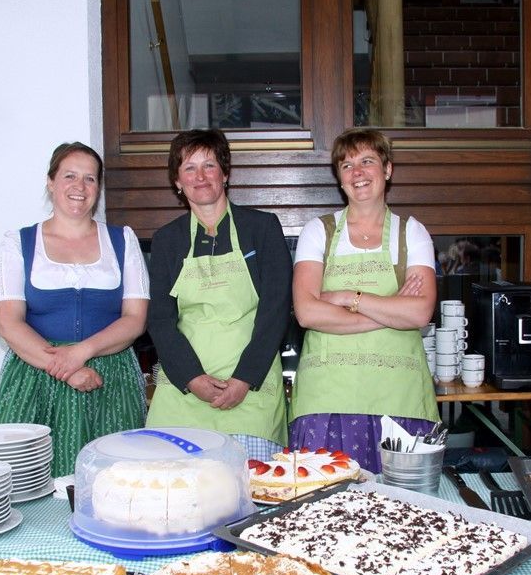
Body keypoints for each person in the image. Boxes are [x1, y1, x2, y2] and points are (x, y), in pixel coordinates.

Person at [290, 128, 440, 473]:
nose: (357, 172)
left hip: (400, 399)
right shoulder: (318, 231)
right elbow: (307, 312)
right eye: (346, 165)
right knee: (324, 501)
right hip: (326, 399)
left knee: (403, 503)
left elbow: (420, 312)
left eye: (367, 161)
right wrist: (390, 309)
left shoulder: (412, 232)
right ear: (339, 178)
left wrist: (347, 297)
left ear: (387, 169)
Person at [0, 142, 149, 476]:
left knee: (115, 479)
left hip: (110, 378)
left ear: (98, 188)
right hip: (35, 378)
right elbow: (8, 323)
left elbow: (135, 319)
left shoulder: (122, 240)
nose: (80, 186)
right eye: (69, 176)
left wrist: (82, 352)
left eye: (90, 178)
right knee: (32, 480)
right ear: (51, 182)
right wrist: (67, 369)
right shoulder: (18, 242)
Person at [146, 129, 291, 457]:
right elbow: (160, 319)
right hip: (183, 394)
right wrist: (192, 378)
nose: (200, 177)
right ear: (177, 181)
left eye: (209, 165)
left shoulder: (262, 228)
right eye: (189, 168)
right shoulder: (167, 239)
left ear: (225, 173)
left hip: (250, 391)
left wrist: (244, 379)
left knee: (253, 484)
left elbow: (276, 309)